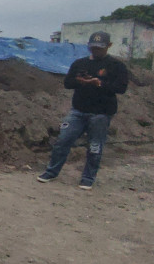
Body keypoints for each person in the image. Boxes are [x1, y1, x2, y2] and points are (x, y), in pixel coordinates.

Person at [37, 31, 128, 190]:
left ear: (109, 46)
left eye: (100, 48)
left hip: (102, 113)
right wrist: (81, 81)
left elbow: (121, 88)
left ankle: (88, 178)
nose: (96, 50)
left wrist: (99, 84)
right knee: (63, 141)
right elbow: (68, 83)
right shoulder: (79, 63)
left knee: (94, 147)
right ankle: (51, 172)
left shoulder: (117, 66)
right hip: (78, 110)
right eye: (93, 47)